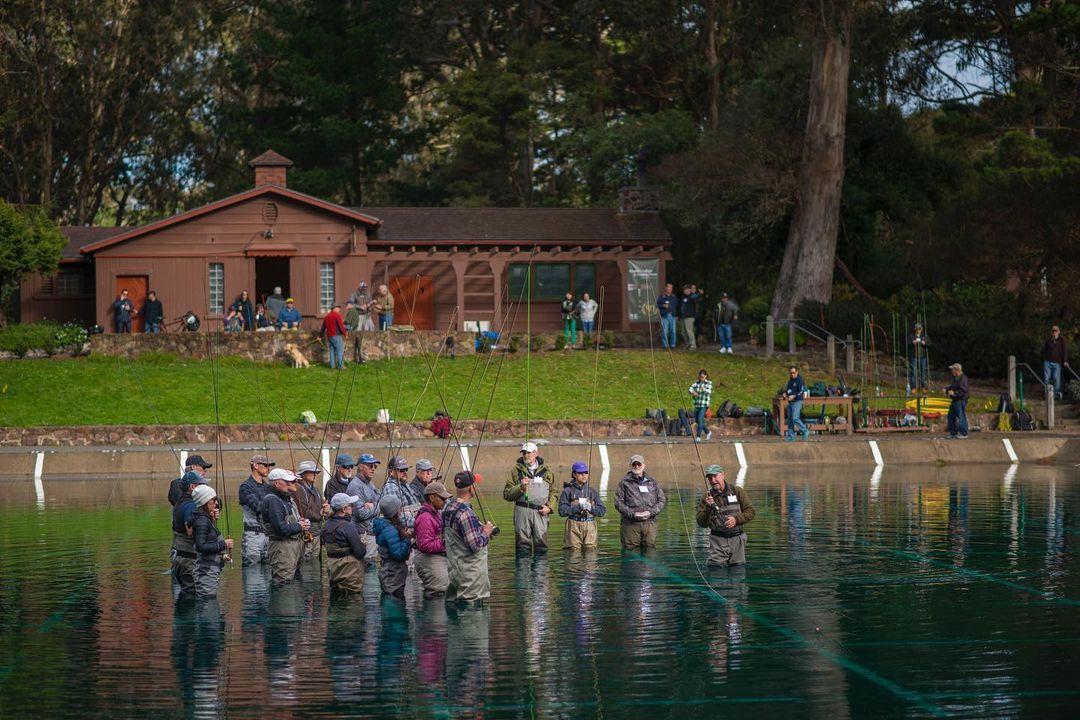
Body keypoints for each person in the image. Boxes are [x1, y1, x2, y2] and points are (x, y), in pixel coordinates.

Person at [443, 471, 495, 607]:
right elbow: (476, 545)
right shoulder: (466, 513)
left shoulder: (448, 508)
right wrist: (486, 532)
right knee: (473, 617)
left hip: (455, 573)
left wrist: (479, 529)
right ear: (471, 488)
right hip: (471, 579)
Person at [695, 465, 755, 567]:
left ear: (722, 475)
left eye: (715, 476)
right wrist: (708, 507)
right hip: (717, 541)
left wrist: (736, 520)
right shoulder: (706, 497)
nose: (713, 480)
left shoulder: (737, 491)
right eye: (710, 478)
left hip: (738, 540)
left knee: (738, 571)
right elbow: (701, 523)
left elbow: (751, 512)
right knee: (716, 572)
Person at [260, 468, 310, 586]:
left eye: (292, 481)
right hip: (281, 547)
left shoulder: (285, 497)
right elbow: (281, 529)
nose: (292, 484)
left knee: (292, 582)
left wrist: (299, 523)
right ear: (276, 483)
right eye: (288, 481)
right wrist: (299, 526)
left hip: (291, 546)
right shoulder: (272, 500)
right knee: (283, 582)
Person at [503, 441, 556, 553]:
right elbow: (507, 494)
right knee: (522, 547)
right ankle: (523, 569)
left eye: (529, 453)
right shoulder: (515, 471)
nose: (526, 455)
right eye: (524, 453)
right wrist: (520, 487)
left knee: (541, 546)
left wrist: (550, 508)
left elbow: (553, 492)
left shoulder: (547, 471)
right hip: (522, 512)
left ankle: (540, 570)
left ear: (536, 453)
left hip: (541, 512)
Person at [613, 455, 666, 550]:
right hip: (630, 525)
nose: (636, 466)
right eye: (634, 464)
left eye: (639, 464)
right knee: (631, 555)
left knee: (650, 552)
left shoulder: (652, 482)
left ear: (644, 465)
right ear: (630, 466)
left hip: (650, 524)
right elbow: (618, 502)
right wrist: (633, 514)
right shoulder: (624, 483)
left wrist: (651, 512)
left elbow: (661, 500)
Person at [191, 485, 233, 598]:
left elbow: (209, 538)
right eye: (213, 500)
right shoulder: (202, 522)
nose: (216, 504)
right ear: (205, 502)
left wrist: (213, 520)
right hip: (206, 572)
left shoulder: (205, 520)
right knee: (208, 605)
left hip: (209, 570)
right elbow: (201, 546)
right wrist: (223, 544)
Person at [321, 492, 366, 594]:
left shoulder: (325, 525)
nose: (352, 507)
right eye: (350, 505)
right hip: (349, 572)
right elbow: (360, 553)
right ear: (343, 509)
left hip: (333, 569)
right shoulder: (347, 526)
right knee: (353, 600)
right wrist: (362, 544)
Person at [171, 471, 205, 597]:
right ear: (192, 487)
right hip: (189, 561)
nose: (205, 488)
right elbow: (190, 531)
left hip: (179, 558)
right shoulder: (191, 505)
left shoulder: (180, 502)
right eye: (201, 485)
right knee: (193, 596)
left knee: (186, 595)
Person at [557, 461, 605, 550]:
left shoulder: (592, 491)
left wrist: (591, 508)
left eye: (586, 472)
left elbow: (602, 511)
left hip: (590, 525)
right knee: (573, 553)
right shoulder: (567, 491)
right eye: (580, 473)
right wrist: (578, 508)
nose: (584, 475)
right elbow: (562, 511)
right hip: (573, 525)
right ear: (574, 474)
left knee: (590, 553)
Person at [415, 481, 451, 596]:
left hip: (436, 560)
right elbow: (424, 545)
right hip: (430, 562)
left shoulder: (435, 513)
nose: (445, 501)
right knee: (437, 596)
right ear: (432, 497)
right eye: (442, 498)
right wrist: (446, 541)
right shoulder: (426, 518)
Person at [238, 455, 274, 566]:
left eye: (269, 466)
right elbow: (257, 507)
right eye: (266, 465)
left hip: (268, 535)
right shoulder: (245, 487)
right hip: (252, 536)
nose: (268, 468)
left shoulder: (268, 487)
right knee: (252, 571)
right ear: (255, 466)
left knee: (268, 572)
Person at [373, 495, 412, 596]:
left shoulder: (387, 526)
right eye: (399, 508)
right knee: (394, 603)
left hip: (388, 571)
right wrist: (407, 539)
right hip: (393, 573)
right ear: (394, 512)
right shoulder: (390, 530)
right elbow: (398, 554)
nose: (400, 510)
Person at [346, 453, 382, 562]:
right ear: (360, 467)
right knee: (368, 565)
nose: (373, 469)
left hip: (372, 532)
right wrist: (378, 506)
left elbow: (379, 500)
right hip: (363, 534)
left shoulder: (370, 483)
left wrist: (373, 505)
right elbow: (362, 513)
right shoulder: (355, 486)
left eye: (375, 466)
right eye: (370, 466)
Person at [294, 459, 330, 563]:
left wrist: (326, 509)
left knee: (314, 561)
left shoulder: (315, 489)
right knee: (306, 561)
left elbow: (323, 504)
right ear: (303, 474)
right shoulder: (298, 489)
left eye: (316, 472)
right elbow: (305, 512)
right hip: (306, 533)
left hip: (317, 533)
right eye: (312, 472)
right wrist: (321, 515)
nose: (315, 474)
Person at [381, 455, 423, 528]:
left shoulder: (404, 484)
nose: (405, 472)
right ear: (391, 472)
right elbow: (396, 516)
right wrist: (419, 522)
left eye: (406, 469)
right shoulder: (391, 487)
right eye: (401, 470)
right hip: (405, 530)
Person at [783, 365, 809, 441]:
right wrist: (785, 393)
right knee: (790, 419)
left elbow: (801, 391)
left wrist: (794, 396)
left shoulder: (800, 380)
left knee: (795, 417)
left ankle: (805, 430)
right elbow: (789, 390)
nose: (792, 374)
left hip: (797, 401)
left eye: (793, 373)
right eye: (790, 373)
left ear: (797, 372)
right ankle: (791, 436)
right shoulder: (790, 381)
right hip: (790, 402)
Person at [944, 362, 969, 439]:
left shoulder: (963, 378)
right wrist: (946, 389)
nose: (951, 371)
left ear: (957, 370)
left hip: (961, 400)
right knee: (950, 416)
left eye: (952, 369)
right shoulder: (955, 378)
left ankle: (963, 433)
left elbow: (963, 391)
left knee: (961, 416)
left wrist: (954, 393)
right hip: (955, 400)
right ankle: (953, 432)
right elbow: (952, 387)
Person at [1043, 325, 1069, 399]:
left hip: (1057, 363)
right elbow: (1045, 349)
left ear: (1058, 332)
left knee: (1056, 379)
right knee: (1046, 379)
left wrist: (1065, 361)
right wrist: (1052, 341)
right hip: (1047, 362)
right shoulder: (1048, 340)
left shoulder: (1062, 339)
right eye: (1053, 331)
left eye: (1056, 331)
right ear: (1051, 332)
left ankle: (1056, 395)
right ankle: (1047, 395)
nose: (1054, 332)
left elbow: (1065, 351)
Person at [689, 368, 713, 442]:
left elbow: (708, 392)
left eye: (703, 377)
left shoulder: (708, 383)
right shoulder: (696, 382)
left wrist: (703, 389)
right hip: (697, 404)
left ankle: (698, 437)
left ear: (706, 376)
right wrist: (692, 392)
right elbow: (690, 388)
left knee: (700, 419)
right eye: (700, 377)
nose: (701, 378)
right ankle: (708, 432)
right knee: (697, 420)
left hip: (704, 405)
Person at [322, 304, 347, 369]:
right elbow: (341, 326)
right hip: (336, 335)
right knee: (340, 350)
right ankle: (341, 366)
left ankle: (332, 366)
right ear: (334, 308)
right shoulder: (337, 315)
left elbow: (323, 327)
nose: (339, 309)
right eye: (338, 307)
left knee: (332, 351)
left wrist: (320, 336)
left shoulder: (327, 316)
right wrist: (345, 334)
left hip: (329, 336)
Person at [909, 322, 930, 392]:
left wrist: (925, 343)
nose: (918, 330)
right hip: (914, 356)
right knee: (913, 372)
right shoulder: (911, 336)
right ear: (915, 329)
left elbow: (929, 343)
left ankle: (923, 387)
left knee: (923, 372)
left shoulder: (925, 336)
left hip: (923, 357)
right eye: (917, 328)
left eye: (920, 328)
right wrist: (912, 343)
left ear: (922, 329)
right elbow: (908, 343)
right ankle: (913, 387)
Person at [656, 283, 678, 349]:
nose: (670, 289)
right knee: (664, 331)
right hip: (664, 316)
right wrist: (663, 305)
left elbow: (677, 306)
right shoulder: (661, 297)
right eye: (669, 287)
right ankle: (665, 345)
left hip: (672, 316)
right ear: (665, 288)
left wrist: (677, 315)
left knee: (673, 331)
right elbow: (656, 305)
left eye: (671, 288)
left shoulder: (674, 297)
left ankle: (673, 345)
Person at [679, 284, 698, 350]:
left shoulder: (692, 296)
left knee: (689, 331)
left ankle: (693, 345)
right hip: (683, 317)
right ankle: (688, 344)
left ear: (689, 290)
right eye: (684, 289)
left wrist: (694, 293)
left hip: (690, 317)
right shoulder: (683, 297)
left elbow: (696, 298)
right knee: (683, 332)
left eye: (686, 289)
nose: (684, 290)